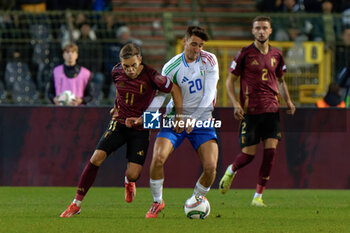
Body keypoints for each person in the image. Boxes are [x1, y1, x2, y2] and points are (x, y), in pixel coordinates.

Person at [60, 43, 182, 217]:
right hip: (119, 122)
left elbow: (174, 89)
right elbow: (120, 91)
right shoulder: (116, 71)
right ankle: (76, 204)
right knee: (96, 159)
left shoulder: (153, 76)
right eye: (126, 66)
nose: (130, 70)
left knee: (133, 174)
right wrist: (115, 106)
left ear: (140, 59)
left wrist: (180, 116)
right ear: (120, 63)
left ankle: (128, 182)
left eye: (133, 65)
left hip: (140, 127)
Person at [219, 16, 296, 207]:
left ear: (270, 31)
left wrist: (289, 100)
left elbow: (281, 80)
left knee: (270, 154)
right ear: (253, 31)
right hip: (251, 111)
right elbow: (230, 80)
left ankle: (258, 197)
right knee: (249, 155)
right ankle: (231, 170)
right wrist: (235, 103)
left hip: (272, 110)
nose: (261, 31)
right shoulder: (245, 53)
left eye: (264, 28)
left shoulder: (277, 54)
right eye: (258, 28)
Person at [145, 26, 219, 218]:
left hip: (202, 121)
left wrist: (193, 119)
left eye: (201, 45)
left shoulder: (210, 60)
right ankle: (157, 202)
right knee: (158, 158)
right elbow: (161, 96)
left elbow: (209, 94)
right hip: (175, 119)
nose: (197, 49)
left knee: (211, 168)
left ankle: (196, 200)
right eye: (194, 44)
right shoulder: (171, 66)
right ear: (184, 42)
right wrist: (148, 119)